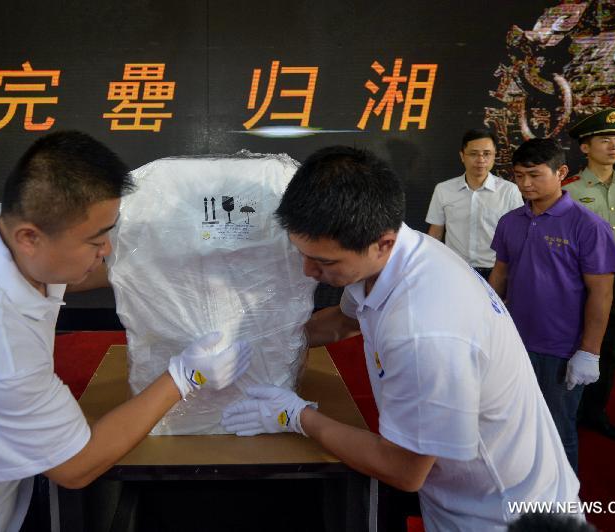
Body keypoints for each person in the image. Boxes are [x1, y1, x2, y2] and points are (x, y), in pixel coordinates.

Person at [0, 131, 252, 530]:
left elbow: (67, 271)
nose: (108, 250)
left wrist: (164, 266)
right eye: (96, 240)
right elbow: (75, 467)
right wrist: (185, 377)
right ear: (30, 237)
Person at [221, 146, 581, 531]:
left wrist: (296, 416)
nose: (309, 271)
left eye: (324, 262)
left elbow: (403, 470)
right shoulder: (396, 256)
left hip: (501, 514)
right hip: (465, 492)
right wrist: (263, 342)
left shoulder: (424, 330)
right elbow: (342, 322)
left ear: (383, 243)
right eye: (303, 254)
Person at [488, 139, 615, 471]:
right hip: (515, 343)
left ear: (561, 172)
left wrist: (589, 352)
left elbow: (602, 294)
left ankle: (563, 500)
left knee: (559, 432)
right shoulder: (510, 221)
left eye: (534, 175)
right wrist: (486, 323)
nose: (525, 184)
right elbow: (500, 274)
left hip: (561, 348)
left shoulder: (588, 225)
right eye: (519, 176)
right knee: (515, 426)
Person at [563, 108, 615, 444]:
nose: (613, 146)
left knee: (609, 348)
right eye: (604, 139)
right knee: (572, 344)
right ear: (585, 147)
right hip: (577, 279)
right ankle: (566, 413)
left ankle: (595, 413)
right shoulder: (568, 191)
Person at [426, 128, 522, 279]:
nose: (480, 159)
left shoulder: (509, 191)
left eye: (487, 153)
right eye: (473, 154)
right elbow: (436, 232)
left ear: (494, 155)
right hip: (455, 268)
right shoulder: (443, 189)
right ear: (462, 156)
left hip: (496, 270)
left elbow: (517, 235)